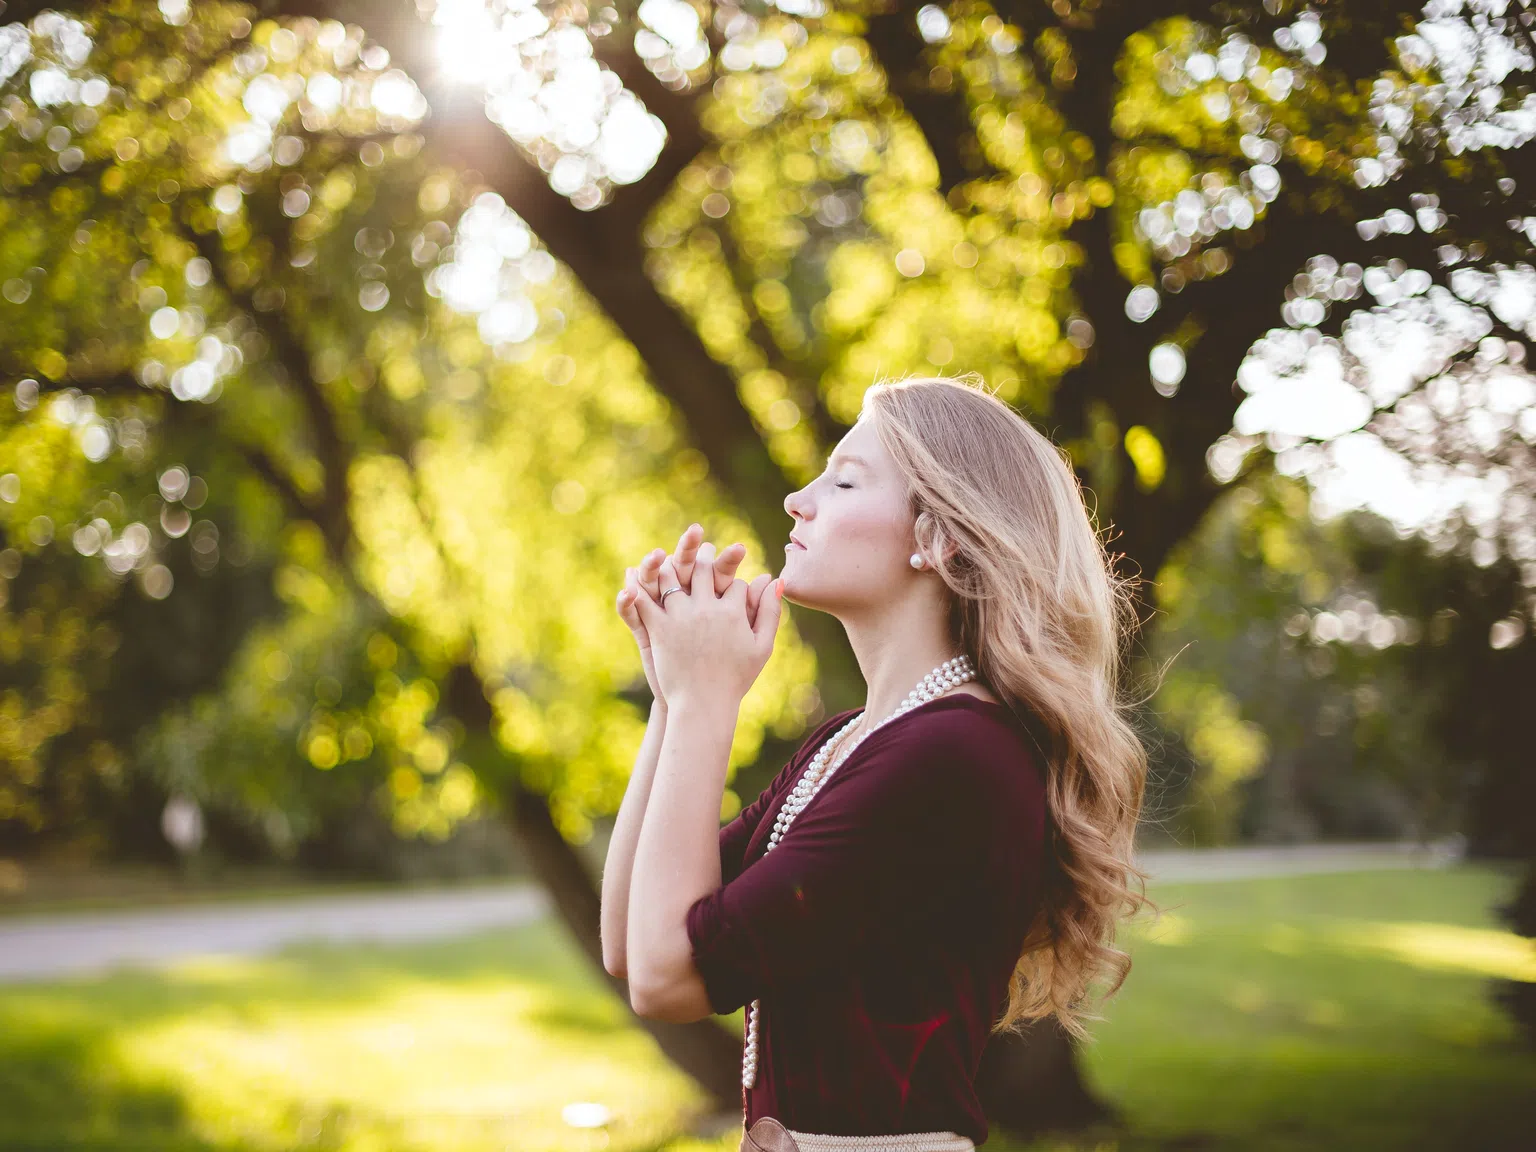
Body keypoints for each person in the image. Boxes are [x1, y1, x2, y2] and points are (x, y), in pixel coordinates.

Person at [600, 375, 1153, 1151]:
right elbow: (632, 943)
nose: (799, 497)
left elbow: (671, 981)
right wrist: (673, 692)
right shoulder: (852, 741)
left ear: (938, 537)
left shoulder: (950, 758)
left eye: (844, 479)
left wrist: (706, 703)